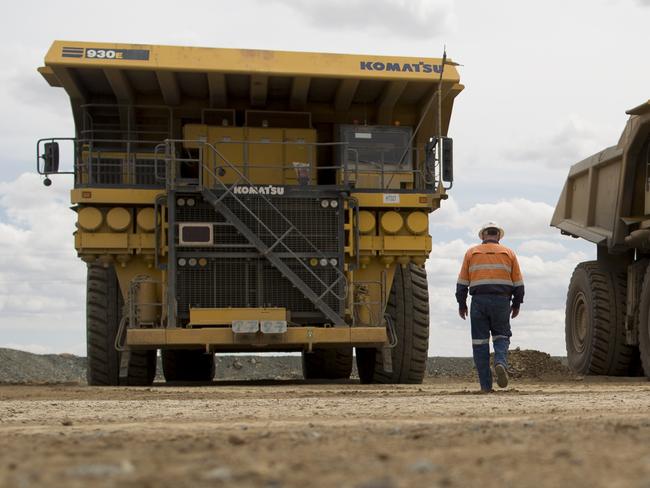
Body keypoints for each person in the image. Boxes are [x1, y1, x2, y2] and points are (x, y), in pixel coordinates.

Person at [455, 222, 524, 392]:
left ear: (484, 236)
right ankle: (500, 362)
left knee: (480, 344)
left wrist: (462, 304)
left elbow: (462, 283)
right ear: (498, 236)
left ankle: (486, 386)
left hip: (478, 301)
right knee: (501, 337)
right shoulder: (509, 253)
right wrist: (516, 304)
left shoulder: (471, 253)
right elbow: (519, 284)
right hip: (502, 301)